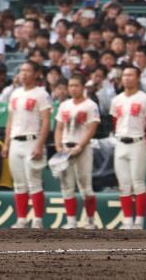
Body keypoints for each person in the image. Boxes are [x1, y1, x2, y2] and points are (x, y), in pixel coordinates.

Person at [2, 61, 51, 229]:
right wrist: (6, 144)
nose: (23, 74)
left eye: (28, 70)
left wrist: (40, 144)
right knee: (19, 183)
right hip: (15, 141)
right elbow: (10, 121)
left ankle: (37, 220)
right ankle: (21, 219)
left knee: (34, 182)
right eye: (21, 70)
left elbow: (46, 122)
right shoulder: (15, 94)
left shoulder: (41, 94)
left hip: (32, 140)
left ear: (36, 73)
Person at [54, 75, 101, 230]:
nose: (73, 88)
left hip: (82, 147)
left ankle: (90, 220)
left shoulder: (90, 105)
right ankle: (71, 221)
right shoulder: (64, 105)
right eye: (70, 85)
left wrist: (80, 146)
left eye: (76, 85)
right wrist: (58, 146)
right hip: (66, 148)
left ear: (82, 87)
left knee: (85, 185)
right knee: (66, 186)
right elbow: (59, 127)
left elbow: (92, 128)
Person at [110, 65, 146, 230]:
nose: (127, 78)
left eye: (130, 75)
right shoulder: (117, 100)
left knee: (138, 183)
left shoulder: (144, 99)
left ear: (138, 78)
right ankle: (128, 220)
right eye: (125, 75)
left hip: (138, 142)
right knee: (124, 184)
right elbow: (116, 123)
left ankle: (139, 221)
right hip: (121, 142)